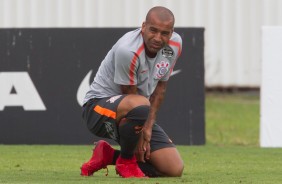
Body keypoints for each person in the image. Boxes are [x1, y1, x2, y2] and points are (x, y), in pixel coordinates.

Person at [80, 6, 184, 178]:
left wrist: (148, 128)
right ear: (143, 26)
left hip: (137, 111)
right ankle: (126, 162)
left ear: (171, 33)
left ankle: (108, 155)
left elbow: (160, 89)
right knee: (140, 104)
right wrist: (141, 135)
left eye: (165, 33)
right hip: (96, 109)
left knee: (173, 168)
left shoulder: (175, 45)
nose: (158, 38)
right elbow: (131, 95)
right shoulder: (127, 50)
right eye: (153, 30)